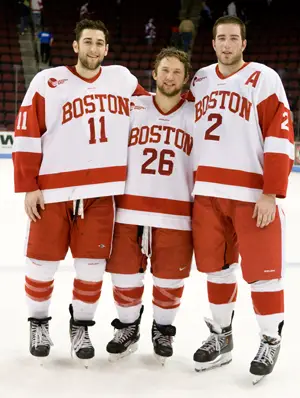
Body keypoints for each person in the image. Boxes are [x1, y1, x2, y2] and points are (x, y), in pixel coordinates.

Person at [12, 18, 146, 363]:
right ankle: (38, 322)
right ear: (75, 46)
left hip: (101, 192)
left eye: (99, 43)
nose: (93, 48)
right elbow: (26, 132)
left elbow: (153, 111)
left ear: (106, 48)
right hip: (54, 191)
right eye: (87, 42)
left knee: (91, 266)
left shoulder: (122, 79)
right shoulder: (48, 81)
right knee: (41, 263)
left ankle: (81, 326)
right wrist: (28, 185)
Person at [190, 15, 294, 383]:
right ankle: (222, 337)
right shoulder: (199, 79)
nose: (227, 44)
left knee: (263, 273)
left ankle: (269, 338)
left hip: (251, 196)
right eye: (221, 38)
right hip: (207, 194)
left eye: (234, 38)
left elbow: (280, 134)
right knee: (216, 269)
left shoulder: (263, 77)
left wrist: (271, 191)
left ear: (243, 43)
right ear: (213, 43)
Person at [105, 47, 194, 364]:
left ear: (186, 79)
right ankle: (128, 328)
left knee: (171, 277)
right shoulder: (132, 107)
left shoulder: (196, 113)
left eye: (177, 73)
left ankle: (163, 329)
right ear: (154, 73)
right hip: (129, 208)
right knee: (123, 273)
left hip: (177, 211)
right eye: (165, 70)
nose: (170, 77)